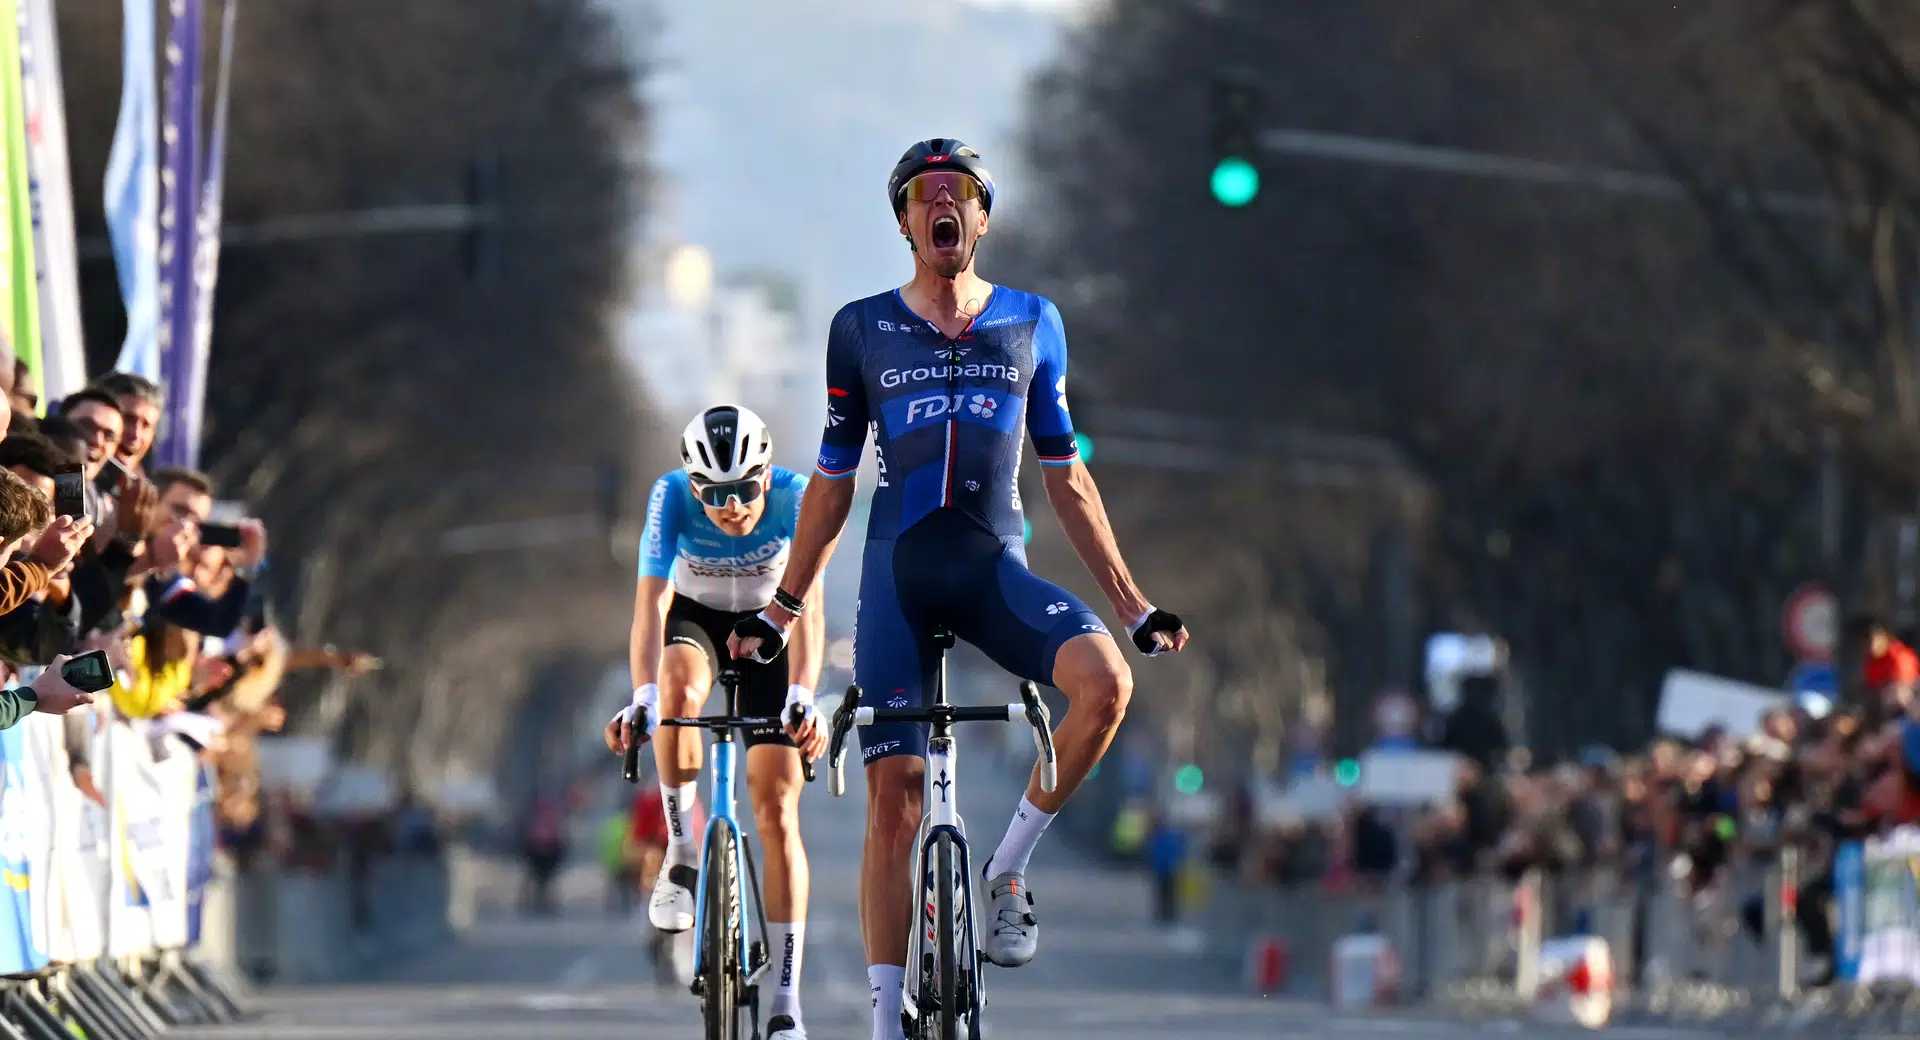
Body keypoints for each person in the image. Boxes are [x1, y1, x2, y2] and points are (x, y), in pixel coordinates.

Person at [726, 138, 1189, 1040]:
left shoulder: (1032, 321)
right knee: (892, 794)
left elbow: (1068, 479)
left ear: (982, 217)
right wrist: (782, 610)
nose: (944, 207)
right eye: (924, 196)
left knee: (1108, 688)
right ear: (904, 222)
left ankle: (1008, 869)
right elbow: (830, 484)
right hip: (897, 578)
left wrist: (1133, 606)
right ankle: (883, 1024)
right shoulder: (860, 328)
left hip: (991, 573)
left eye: (961, 195)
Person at [603, 404, 826, 1040]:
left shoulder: (794, 496)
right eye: (715, 495)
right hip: (696, 621)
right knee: (675, 688)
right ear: (693, 487)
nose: (732, 508)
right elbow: (651, 603)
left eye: (744, 489)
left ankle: (786, 1001)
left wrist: (804, 695)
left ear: (766, 474)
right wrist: (643, 694)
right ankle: (681, 853)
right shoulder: (668, 497)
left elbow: (807, 612)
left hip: (772, 630)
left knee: (778, 808)